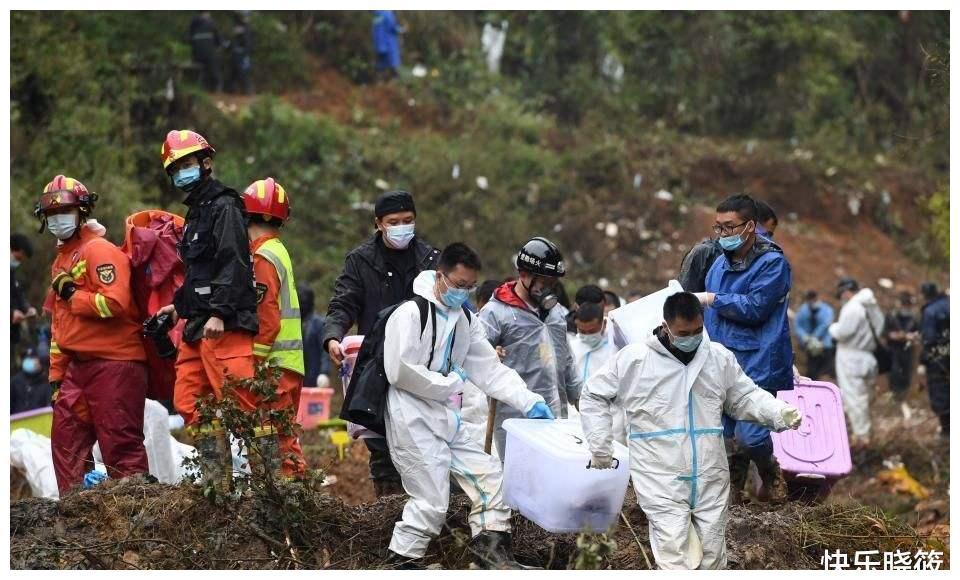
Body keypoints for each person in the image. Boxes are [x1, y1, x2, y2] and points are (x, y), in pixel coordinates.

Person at [580, 292, 801, 569]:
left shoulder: (716, 357)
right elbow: (594, 394)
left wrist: (778, 412)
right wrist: (601, 446)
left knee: (712, 552)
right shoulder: (635, 360)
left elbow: (744, 397)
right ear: (666, 326)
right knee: (674, 550)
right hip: (660, 473)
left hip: (709, 471)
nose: (693, 337)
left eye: (698, 330)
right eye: (684, 332)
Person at [382, 242, 553, 569]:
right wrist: (450, 382)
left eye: (470, 286)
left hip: (446, 416)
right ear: (440, 276)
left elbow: (489, 369)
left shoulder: (463, 319)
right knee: (431, 501)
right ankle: (401, 563)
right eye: (458, 285)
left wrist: (528, 400)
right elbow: (398, 371)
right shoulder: (410, 314)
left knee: (490, 475)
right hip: (410, 416)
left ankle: (491, 555)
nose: (463, 292)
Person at [155, 130, 259, 486]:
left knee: (245, 408)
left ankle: (272, 488)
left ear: (206, 163)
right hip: (198, 325)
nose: (182, 172)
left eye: (187, 164)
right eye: (176, 168)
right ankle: (218, 485)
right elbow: (199, 274)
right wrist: (175, 308)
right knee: (190, 402)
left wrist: (220, 312)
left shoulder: (225, 206)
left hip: (224, 326)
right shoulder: (197, 213)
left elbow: (234, 264)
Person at [35, 175, 149, 494]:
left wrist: (73, 294)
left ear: (82, 212)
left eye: (65, 212)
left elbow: (115, 302)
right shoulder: (61, 261)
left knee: (120, 447)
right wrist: (57, 378)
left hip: (116, 363)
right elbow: (61, 326)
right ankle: (79, 520)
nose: (58, 220)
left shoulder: (99, 250)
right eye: (52, 215)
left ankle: (136, 520)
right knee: (66, 445)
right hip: (78, 368)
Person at [323, 190, 441, 497]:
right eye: (394, 222)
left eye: (408, 220)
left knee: (422, 443)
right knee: (381, 445)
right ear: (378, 224)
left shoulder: (431, 260)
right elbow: (343, 303)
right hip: (375, 363)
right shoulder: (361, 261)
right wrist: (333, 335)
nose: (402, 227)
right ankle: (387, 510)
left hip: (419, 364)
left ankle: (424, 508)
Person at [696, 194, 793, 503]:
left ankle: (770, 471)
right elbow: (707, 316)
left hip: (758, 361)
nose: (722, 235)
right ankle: (733, 493)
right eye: (718, 228)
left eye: (729, 227)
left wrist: (714, 299)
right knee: (720, 435)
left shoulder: (773, 264)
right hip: (719, 360)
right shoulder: (717, 266)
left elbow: (756, 307)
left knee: (751, 436)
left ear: (750, 226)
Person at [479, 236, 582, 457]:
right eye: (544, 283)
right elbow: (475, 359)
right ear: (524, 274)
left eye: (553, 283)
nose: (549, 289)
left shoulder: (555, 313)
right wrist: (490, 354)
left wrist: (579, 397)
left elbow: (566, 358)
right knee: (523, 482)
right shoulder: (496, 313)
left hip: (557, 417)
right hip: (517, 420)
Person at [243, 177, 306, 477]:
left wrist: (251, 363)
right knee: (276, 438)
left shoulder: (262, 257)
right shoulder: (278, 249)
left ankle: (295, 501)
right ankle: (288, 498)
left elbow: (267, 318)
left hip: (274, 367)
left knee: (278, 442)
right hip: (287, 365)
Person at [828, 277, 884, 449]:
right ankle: (862, 433)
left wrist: (832, 328)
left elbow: (843, 332)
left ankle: (862, 439)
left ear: (845, 291)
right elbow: (881, 328)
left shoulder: (852, 307)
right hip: (867, 356)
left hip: (851, 358)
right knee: (863, 398)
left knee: (855, 399)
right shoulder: (872, 307)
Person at [568, 302, 627, 443]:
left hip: (611, 419)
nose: (587, 335)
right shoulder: (573, 347)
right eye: (582, 331)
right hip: (577, 418)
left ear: (604, 324)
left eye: (592, 331)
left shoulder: (616, 348)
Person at [919, 282, 949, 439]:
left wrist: (924, 359)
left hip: (939, 360)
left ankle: (947, 431)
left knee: (941, 393)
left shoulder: (930, 311)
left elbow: (929, 339)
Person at [884, 291, 919, 403]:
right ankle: (895, 395)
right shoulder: (891, 316)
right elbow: (885, 332)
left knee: (906, 372)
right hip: (894, 349)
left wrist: (912, 337)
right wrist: (895, 336)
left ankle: (903, 395)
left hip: (908, 349)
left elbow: (919, 333)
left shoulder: (914, 318)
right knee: (894, 372)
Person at [793, 290, 835, 380]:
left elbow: (825, 324)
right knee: (812, 370)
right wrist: (803, 336)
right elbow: (797, 324)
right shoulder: (803, 310)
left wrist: (814, 336)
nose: (812, 302)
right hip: (810, 347)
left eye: (814, 300)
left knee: (826, 370)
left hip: (825, 344)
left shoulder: (826, 310)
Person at [298, 285, 332, 389]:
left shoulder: (319, 324)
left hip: (315, 382)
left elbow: (325, 351)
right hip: (296, 380)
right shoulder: (292, 324)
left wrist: (324, 373)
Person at [11, 232, 37, 359]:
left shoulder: (11, 272)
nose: (18, 262)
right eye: (18, 258)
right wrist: (11, 314)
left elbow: (17, 293)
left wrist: (27, 308)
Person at [189, 12, 223, 92]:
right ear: (206, 14)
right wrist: (219, 46)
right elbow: (218, 37)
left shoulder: (193, 23)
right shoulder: (211, 23)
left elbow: (189, 37)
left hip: (197, 52)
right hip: (209, 52)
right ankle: (217, 88)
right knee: (213, 70)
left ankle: (199, 88)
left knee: (199, 71)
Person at [11, 348, 52, 414]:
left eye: (33, 358)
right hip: (16, 422)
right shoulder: (15, 381)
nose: (29, 361)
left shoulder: (46, 383)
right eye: (27, 358)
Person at [227, 11, 253, 95]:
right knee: (239, 72)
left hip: (241, 52)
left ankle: (242, 89)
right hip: (239, 52)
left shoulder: (245, 27)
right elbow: (237, 40)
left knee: (239, 71)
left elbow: (248, 41)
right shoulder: (240, 27)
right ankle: (243, 89)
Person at [372, 10, 402, 81]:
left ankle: (379, 82)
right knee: (393, 63)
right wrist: (401, 29)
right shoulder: (388, 14)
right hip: (389, 43)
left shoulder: (377, 15)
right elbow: (393, 27)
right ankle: (394, 81)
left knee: (381, 65)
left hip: (379, 44)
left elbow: (376, 28)